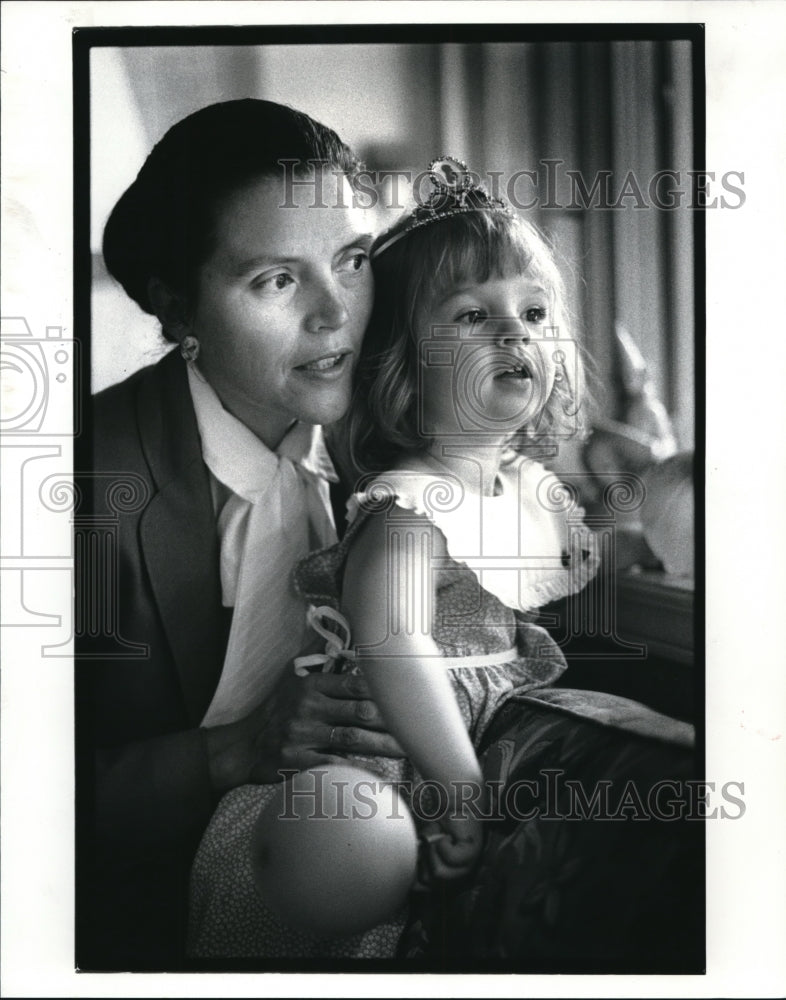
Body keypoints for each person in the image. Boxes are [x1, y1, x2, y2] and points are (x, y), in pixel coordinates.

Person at [186, 161, 697, 964]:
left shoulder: (521, 489)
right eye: (472, 316)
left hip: (470, 757)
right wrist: (457, 783)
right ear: (401, 361)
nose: (513, 333)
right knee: (368, 907)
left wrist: (660, 475)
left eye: (533, 312)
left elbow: (590, 542)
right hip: (385, 772)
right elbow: (394, 641)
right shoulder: (408, 508)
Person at [77, 99, 407, 971]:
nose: (336, 314)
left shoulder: (389, 441)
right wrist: (235, 751)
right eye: (275, 280)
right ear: (175, 306)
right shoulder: (72, 484)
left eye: (351, 259)